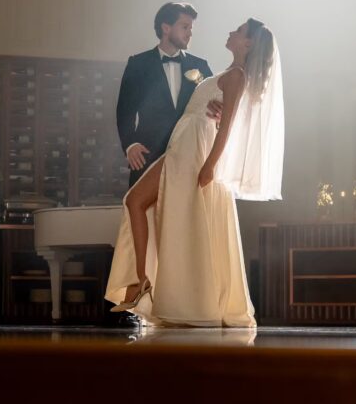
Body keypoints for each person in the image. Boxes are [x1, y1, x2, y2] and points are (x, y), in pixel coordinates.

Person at [106, 18, 284, 327]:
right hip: (181, 147)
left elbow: (228, 128)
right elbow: (215, 114)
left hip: (194, 154)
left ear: (248, 43)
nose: (231, 31)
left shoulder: (237, 76)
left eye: (239, 30)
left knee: (166, 214)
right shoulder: (227, 73)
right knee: (135, 201)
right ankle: (143, 279)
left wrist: (210, 166)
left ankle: (159, 288)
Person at [116, 2, 214, 189]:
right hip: (147, 156)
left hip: (189, 156)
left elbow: (212, 104)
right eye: (185, 27)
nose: (190, 33)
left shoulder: (200, 66)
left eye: (191, 28)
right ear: (166, 28)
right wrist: (130, 145)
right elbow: (124, 110)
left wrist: (216, 111)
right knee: (142, 206)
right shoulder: (138, 64)